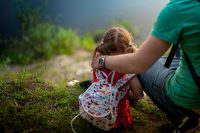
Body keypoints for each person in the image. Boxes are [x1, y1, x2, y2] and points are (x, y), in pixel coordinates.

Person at [91, 0, 200, 132]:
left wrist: (103, 60)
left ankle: (184, 117)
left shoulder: (181, 8)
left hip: (193, 99)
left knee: (144, 66)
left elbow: (137, 64)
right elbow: (137, 94)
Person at [89, 26, 144, 128]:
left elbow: (94, 85)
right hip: (116, 118)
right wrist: (124, 93)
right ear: (128, 50)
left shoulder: (98, 63)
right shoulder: (128, 71)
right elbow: (137, 94)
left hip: (95, 112)